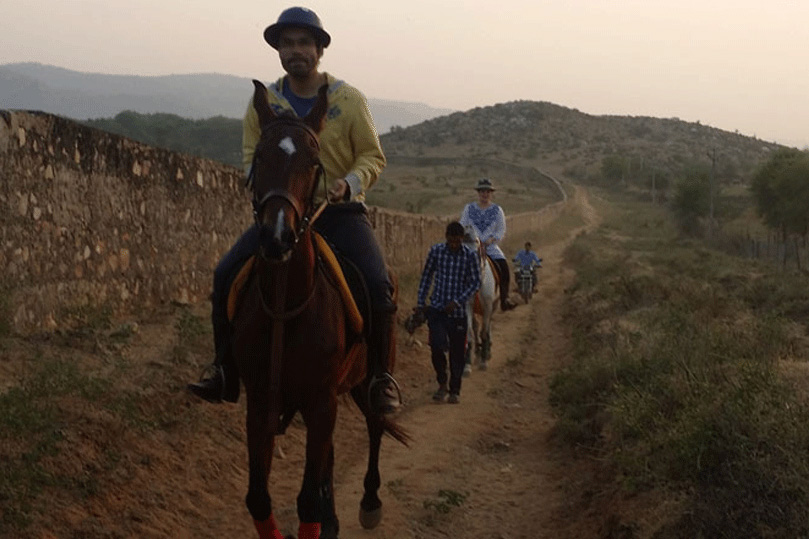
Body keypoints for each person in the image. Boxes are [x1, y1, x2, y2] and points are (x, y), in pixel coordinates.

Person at [188, 6, 401, 416]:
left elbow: (373, 156)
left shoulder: (348, 100)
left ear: (319, 50)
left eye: (304, 42)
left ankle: (379, 377)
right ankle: (224, 369)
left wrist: (348, 184)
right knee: (225, 273)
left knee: (377, 284)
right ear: (279, 51)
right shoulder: (264, 102)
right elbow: (251, 156)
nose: (296, 50)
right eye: (287, 43)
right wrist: (269, 187)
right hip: (283, 215)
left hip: (338, 214)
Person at [415, 221, 481, 404]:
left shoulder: (470, 256)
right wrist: (421, 303)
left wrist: (458, 301)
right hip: (437, 309)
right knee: (436, 347)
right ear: (446, 238)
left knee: (457, 354)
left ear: (462, 239)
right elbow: (427, 277)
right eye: (451, 241)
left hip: (458, 314)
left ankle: (455, 390)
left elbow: (475, 283)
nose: (454, 244)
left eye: (457, 241)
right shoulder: (436, 252)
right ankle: (442, 382)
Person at [459, 177, 517, 311]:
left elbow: (501, 230)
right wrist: (468, 239)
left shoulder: (497, 210)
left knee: (504, 268)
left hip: (490, 248)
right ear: (478, 193)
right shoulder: (469, 209)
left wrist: (491, 239)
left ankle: (504, 299)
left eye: (487, 192)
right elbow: (462, 225)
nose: (485, 194)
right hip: (471, 248)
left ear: (491, 193)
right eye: (482, 192)